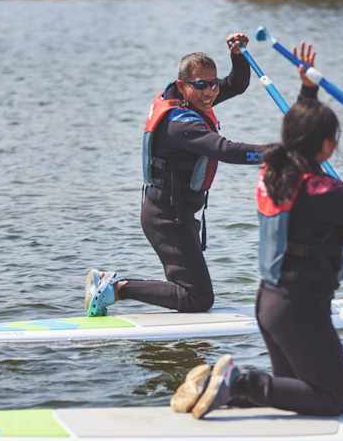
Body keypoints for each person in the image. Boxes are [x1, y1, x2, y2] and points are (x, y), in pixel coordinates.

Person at [171, 42, 343, 419]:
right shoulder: (323, 191)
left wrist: (308, 90)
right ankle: (237, 382)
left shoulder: (273, 167)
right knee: (332, 399)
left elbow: (295, 132)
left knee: (300, 395)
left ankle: (213, 390)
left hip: (269, 300)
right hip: (300, 307)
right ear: (327, 146)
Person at [84, 33, 267, 317]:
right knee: (198, 298)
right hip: (166, 218)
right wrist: (276, 154)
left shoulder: (195, 101)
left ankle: (168, 339)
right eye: (201, 85)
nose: (210, 92)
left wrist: (238, 55)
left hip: (178, 213)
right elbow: (225, 150)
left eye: (213, 84)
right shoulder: (178, 123)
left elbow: (238, 84)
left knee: (191, 291)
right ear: (182, 86)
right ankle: (116, 287)